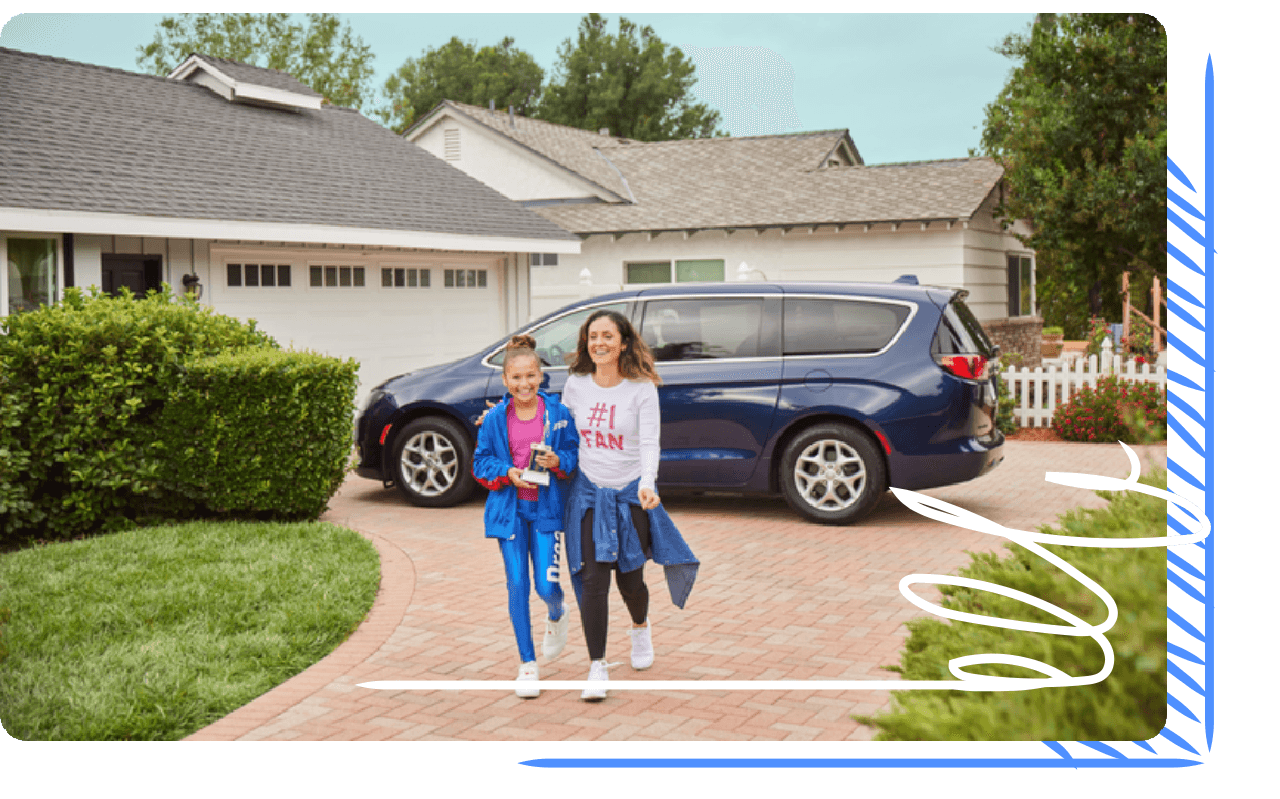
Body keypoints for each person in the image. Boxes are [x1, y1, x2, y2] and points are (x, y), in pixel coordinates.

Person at [560, 309, 699, 701]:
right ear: (586, 342)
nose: (599, 342)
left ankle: (640, 626)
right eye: (593, 336)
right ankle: (597, 667)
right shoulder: (576, 385)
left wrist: (648, 483)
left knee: (630, 578)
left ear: (623, 342)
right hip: (588, 495)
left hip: (629, 495)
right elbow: (560, 431)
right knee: (592, 580)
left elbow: (650, 442)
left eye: (607, 336)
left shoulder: (640, 388)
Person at [472, 335, 579, 699]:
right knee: (517, 584)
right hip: (510, 512)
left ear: (540, 376)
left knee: (545, 586)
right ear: (505, 381)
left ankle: (557, 612)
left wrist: (559, 462)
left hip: (546, 511)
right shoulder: (494, 420)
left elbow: (573, 454)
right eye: (516, 378)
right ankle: (527, 664)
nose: (524, 384)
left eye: (530, 376)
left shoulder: (558, 414)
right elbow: (480, 463)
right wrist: (506, 472)